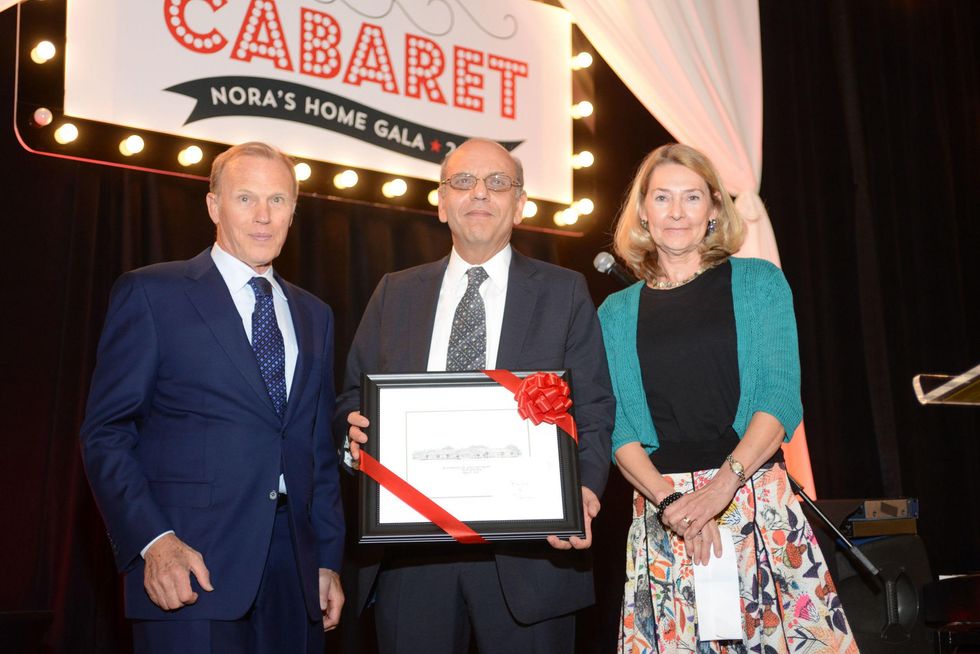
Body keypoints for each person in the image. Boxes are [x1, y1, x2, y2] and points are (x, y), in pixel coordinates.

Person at [336, 138, 615, 653]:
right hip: (413, 557)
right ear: (441, 203)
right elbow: (352, 396)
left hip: (531, 556)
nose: (479, 193)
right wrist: (355, 442)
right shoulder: (395, 292)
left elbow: (594, 406)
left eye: (497, 182)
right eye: (462, 182)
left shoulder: (564, 291)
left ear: (521, 204)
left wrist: (583, 490)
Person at [80, 142, 345, 653]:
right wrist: (153, 541)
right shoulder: (152, 293)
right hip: (189, 564)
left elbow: (316, 449)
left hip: (295, 575)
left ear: (293, 210)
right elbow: (106, 434)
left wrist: (327, 559)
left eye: (278, 199)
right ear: (213, 206)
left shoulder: (315, 314)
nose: (264, 216)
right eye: (246, 198)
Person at [598, 143, 857, 653]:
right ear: (643, 211)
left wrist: (720, 489)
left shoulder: (760, 282)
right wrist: (672, 502)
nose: (676, 211)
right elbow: (618, 427)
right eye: (662, 197)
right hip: (663, 513)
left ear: (714, 208)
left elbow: (779, 397)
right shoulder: (613, 312)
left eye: (692, 197)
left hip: (753, 497)